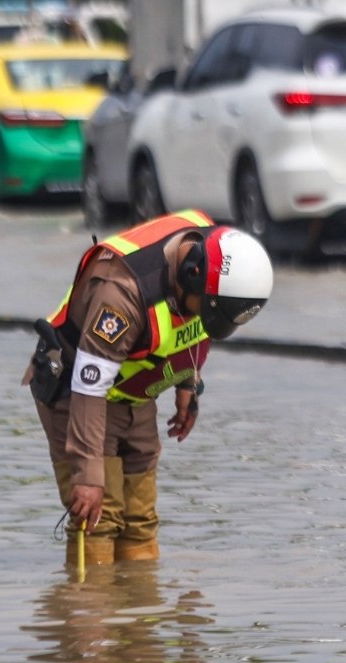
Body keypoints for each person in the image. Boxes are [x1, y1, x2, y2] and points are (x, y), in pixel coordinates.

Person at [25, 209, 273, 566]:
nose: (201, 320)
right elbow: (89, 385)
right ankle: (87, 614)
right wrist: (88, 475)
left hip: (133, 393)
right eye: (202, 310)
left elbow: (196, 331)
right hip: (78, 392)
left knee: (140, 521)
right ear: (191, 277)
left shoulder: (217, 257)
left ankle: (138, 615)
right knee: (99, 519)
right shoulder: (121, 295)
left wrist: (189, 385)